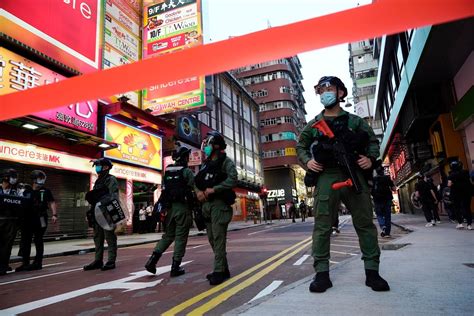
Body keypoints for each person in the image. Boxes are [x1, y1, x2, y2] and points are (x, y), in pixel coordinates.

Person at [296, 76, 389, 293]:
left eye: (329, 89)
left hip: (354, 173)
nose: (325, 93)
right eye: (321, 90)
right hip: (326, 176)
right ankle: (321, 274)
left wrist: (370, 159)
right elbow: (301, 145)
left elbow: (373, 143)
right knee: (322, 226)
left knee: (365, 223)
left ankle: (372, 272)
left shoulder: (354, 121)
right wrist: (308, 162)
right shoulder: (314, 124)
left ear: (340, 93)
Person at [195, 131, 237, 285]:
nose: (206, 147)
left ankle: (219, 271)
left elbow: (233, 179)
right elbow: (196, 181)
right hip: (206, 206)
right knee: (212, 239)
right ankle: (223, 268)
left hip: (219, 205)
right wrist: (198, 192)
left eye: (208, 144)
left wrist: (215, 189)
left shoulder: (226, 162)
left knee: (219, 238)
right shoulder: (205, 164)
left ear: (216, 146)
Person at [145, 146, 195, 276]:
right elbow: (193, 189)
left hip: (169, 210)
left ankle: (152, 261)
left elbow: (165, 189)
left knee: (167, 236)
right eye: (187, 156)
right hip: (182, 209)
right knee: (180, 238)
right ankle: (175, 267)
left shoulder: (167, 171)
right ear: (184, 157)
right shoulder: (186, 172)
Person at [16, 170, 57, 272]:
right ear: (34, 179)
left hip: (41, 218)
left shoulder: (46, 191)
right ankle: (25, 263)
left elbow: (52, 202)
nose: (42, 180)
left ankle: (38, 262)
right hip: (27, 219)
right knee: (26, 241)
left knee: (38, 240)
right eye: (40, 178)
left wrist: (54, 215)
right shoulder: (26, 191)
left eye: (43, 178)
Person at [84, 158, 119, 271]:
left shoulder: (110, 179)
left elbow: (113, 196)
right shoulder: (98, 181)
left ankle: (111, 261)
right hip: (97, 212)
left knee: (110, 237)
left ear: (106, 167)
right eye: (96, 166)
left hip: (106, 212)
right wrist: (90, 212)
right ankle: (98, 260)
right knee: (97, 238)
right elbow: (94, 198)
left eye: (99, 165)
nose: (97, 168)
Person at [0, 169, 24, 275]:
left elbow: (22, 204)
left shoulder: (17, 191)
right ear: (5, 177)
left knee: (7, 245)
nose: (15, 179)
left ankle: (3, 266)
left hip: (11, 221)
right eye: (12, 176)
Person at [372, 166, 396, 238]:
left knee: (379, 214)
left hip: (377, 199)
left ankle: (383, 226)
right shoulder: (387, 178)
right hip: (387, 199)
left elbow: (371, 189)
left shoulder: (374, 179)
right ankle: (387, 233)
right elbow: (393, 188)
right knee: (387, 216)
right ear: (383, 171)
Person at [448, 160, 472, 230]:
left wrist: (454, 184)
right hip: (466, 193)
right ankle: (469, 225)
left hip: (456, 194)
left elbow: (449, 184)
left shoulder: (451, 175)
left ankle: (460, 223)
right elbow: (469, 181)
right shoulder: (466, 172)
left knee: (457, 208)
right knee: (467, 208)